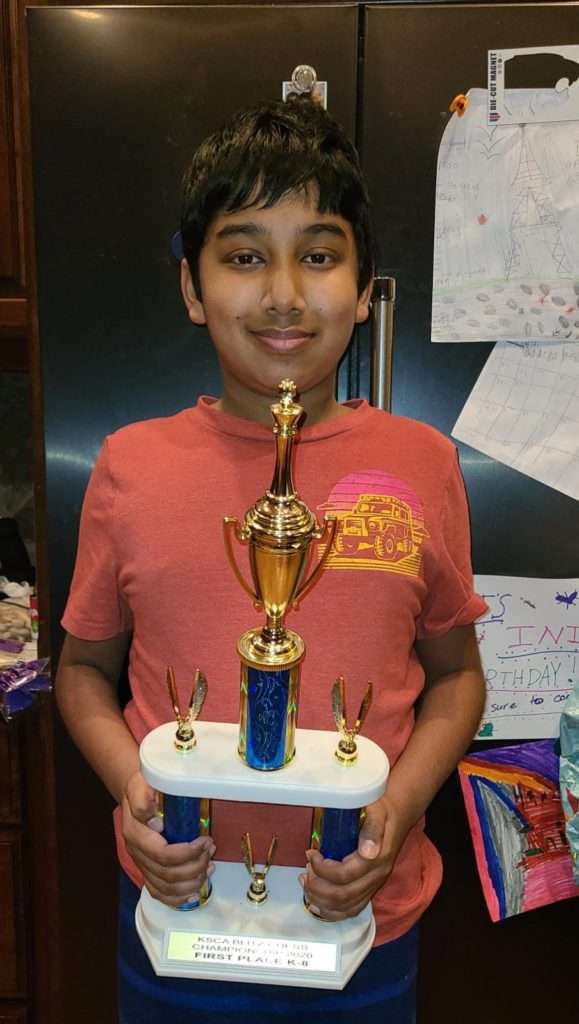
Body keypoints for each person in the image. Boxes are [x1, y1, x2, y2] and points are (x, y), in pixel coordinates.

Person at [56, 95, 487, 1024]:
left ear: (365, 288)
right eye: (245, 255)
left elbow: (456, 679)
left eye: (320, 255)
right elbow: (83, 671)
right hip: (176, 916)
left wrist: (391, 812)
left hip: (368, 922)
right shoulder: (128, 465)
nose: (284, 293)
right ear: (191, 285)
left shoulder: (423, 465)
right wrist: (139, 789)